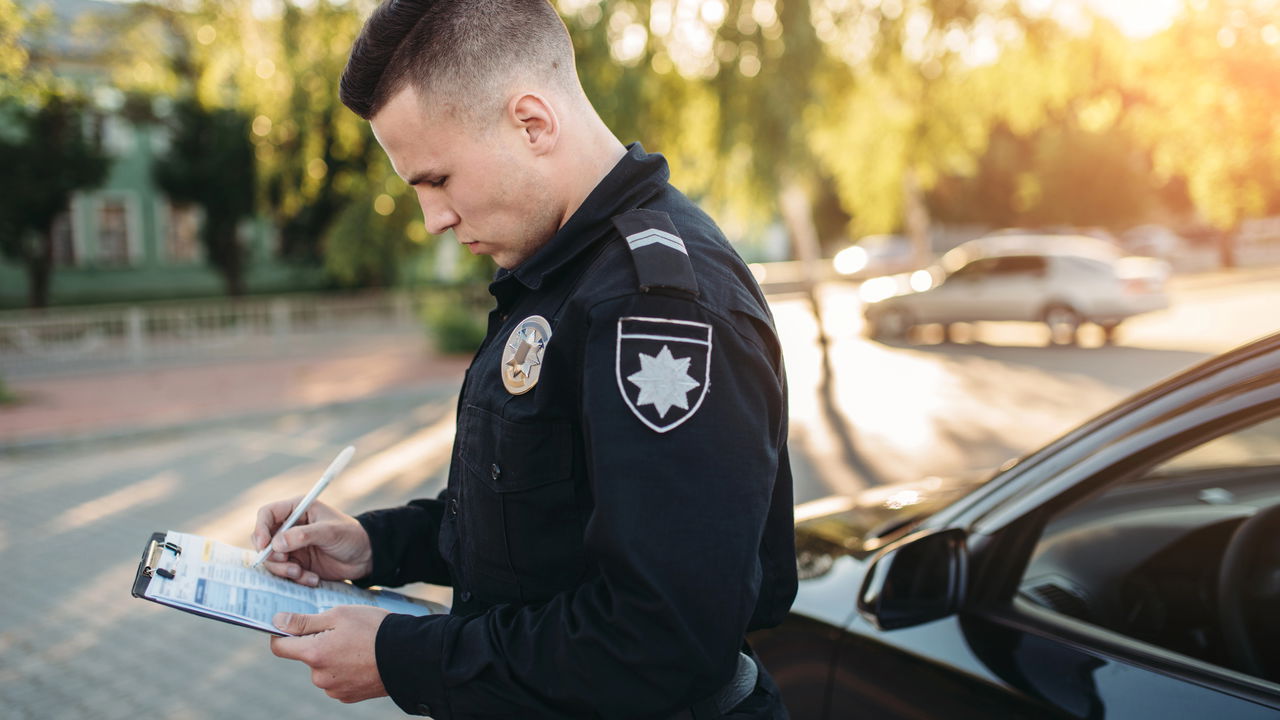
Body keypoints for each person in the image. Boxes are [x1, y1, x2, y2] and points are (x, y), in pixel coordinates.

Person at [252, 0, 797, 717]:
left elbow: (661, 638)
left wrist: (402, 656)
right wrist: (372, 547)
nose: (434, 220)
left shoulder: (658, 305)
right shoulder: (561, 272)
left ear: (532, 123)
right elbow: (542, 519)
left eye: (437, 180)